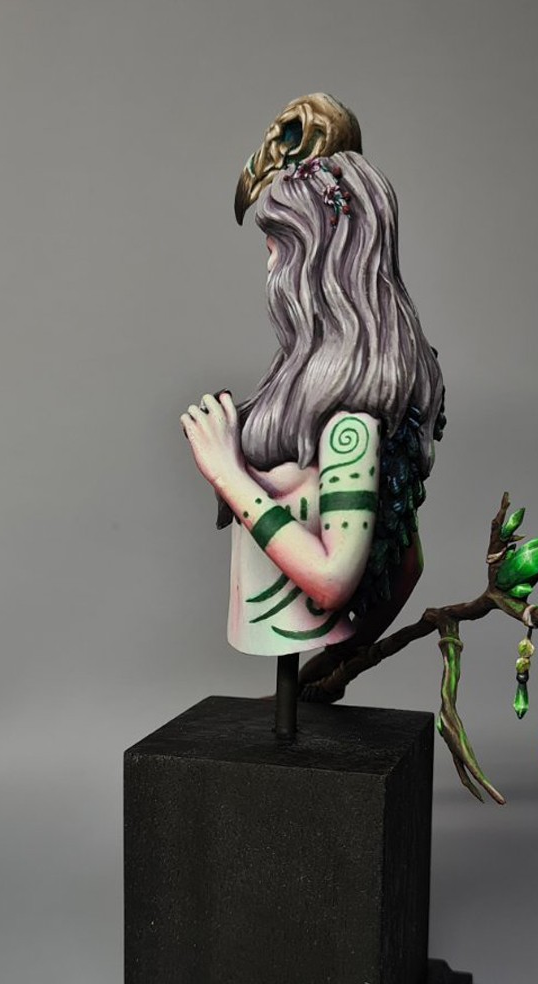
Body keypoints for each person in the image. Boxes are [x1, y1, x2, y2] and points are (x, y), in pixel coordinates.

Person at [182, 151, 445, 659]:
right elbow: (408, 563)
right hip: (289, 652)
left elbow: (331, 580)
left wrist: (227, 473)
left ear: (313, 259)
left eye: (276, 249)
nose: (269, 265)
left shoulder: (351, 425)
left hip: (297, 634)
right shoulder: (308, 386)